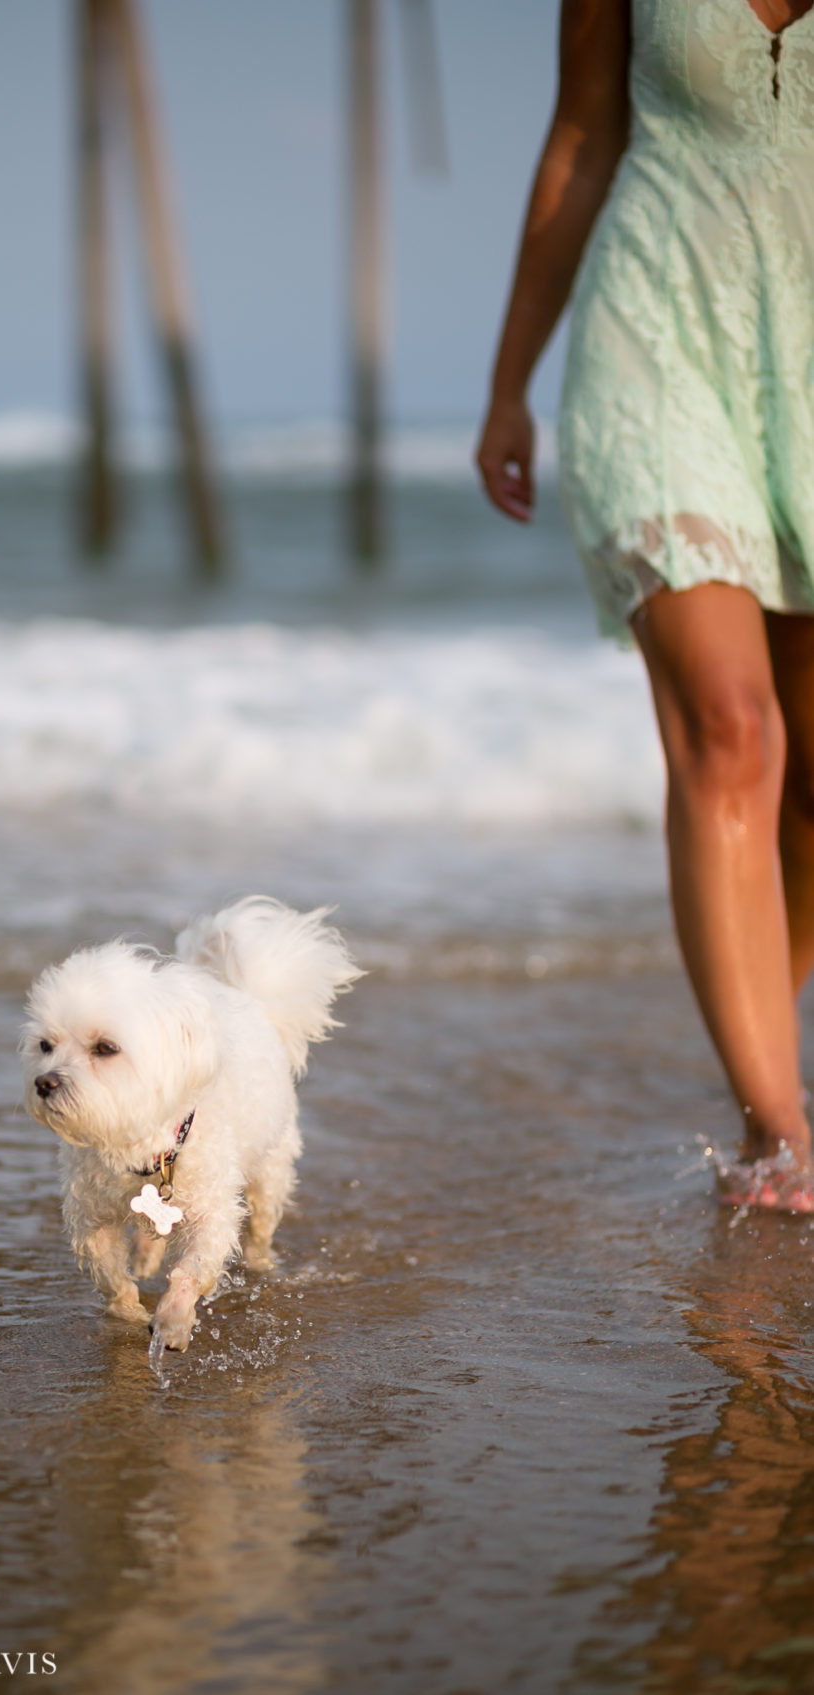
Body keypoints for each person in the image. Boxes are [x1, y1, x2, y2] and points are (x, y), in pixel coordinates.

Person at [477, 0, 814, 1208]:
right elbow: (579, 135)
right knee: (731, 728)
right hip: (657, 336)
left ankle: (757, 1066)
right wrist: (510, 380)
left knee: (811, 777)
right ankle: (777, 1137)